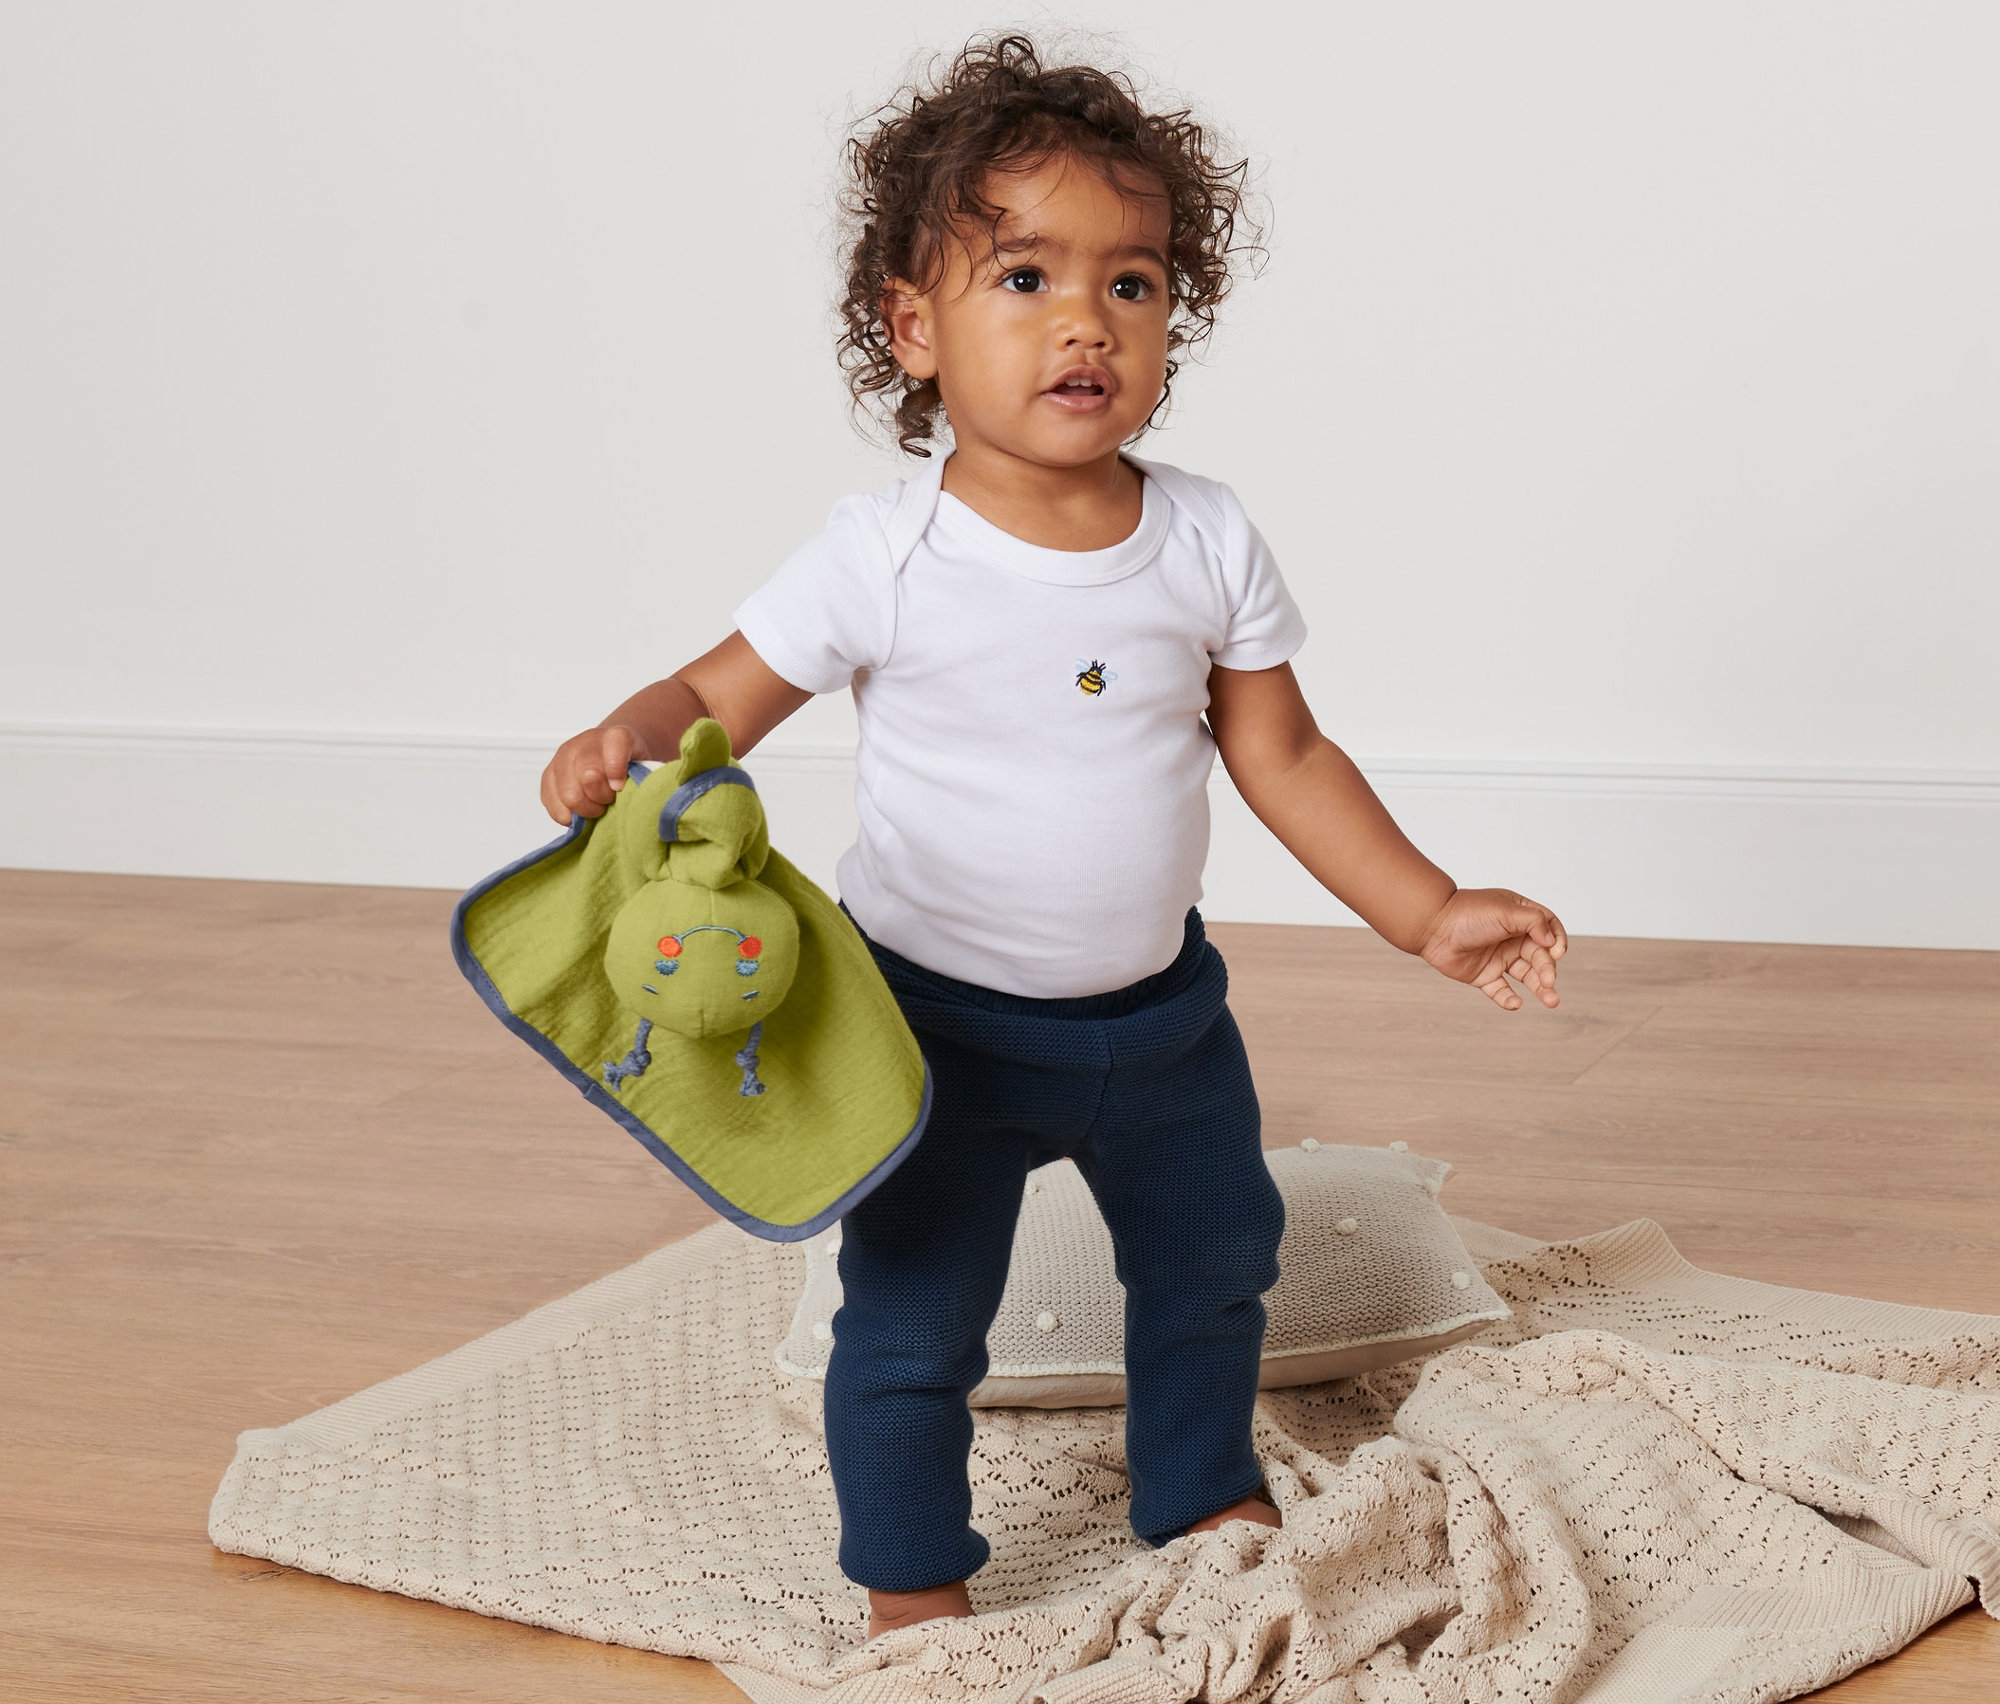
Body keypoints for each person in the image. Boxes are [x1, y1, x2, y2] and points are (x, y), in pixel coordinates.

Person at [537, 35, 1566, 1641]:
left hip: (1162, 1024)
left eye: (1136, 284)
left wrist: (1427, 911)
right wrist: (632, 735)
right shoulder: (886, 555)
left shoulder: (1206, 534)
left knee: (1220, 1254)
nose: (1087, 320)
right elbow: (716, 694)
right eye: (1024, 275)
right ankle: (909, 1580)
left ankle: (1200, 1489)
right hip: (933, 1027)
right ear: (914, 326)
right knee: (916, 1313)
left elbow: (1282, 749)